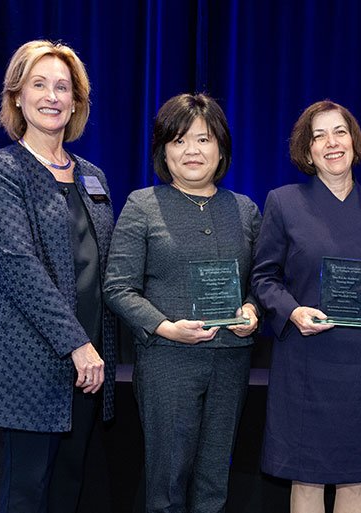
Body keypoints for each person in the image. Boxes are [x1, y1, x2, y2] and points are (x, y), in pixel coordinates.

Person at [0, 40, 115, 513]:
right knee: (26, 491)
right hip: (32, 359)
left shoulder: (92, 175)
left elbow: (108, 264)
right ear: (16, 96)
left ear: (76, 101)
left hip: (90, 366)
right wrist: (76, 344)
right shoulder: (3, 169)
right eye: (39, 84)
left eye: (63, 87)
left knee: (68, 488)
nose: (52, 96)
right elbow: (17, 265)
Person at [103, 93, 261, 513]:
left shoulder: (244, 210)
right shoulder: (143, 204)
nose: (192, 150)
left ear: (221, 147)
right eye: (179, 141)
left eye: (203, 139)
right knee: (166, 480)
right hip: (167, 362)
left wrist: (253, 310)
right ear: (164, 151)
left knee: (214, 480)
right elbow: (118, 287)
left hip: (230, 360)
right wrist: (163, 326)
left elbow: (260, 282)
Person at [250, 100, 361, 513]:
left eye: (340, 132)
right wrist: (293, 311)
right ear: (307, 150)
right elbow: (263, 278)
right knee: (307, 476)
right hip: (306, 358)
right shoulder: (284, 202)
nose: (331, 143)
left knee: (356, 477)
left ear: (354, 141)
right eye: (319, 136)